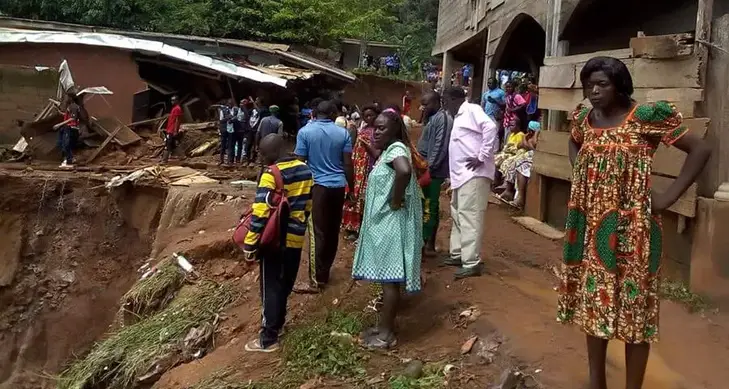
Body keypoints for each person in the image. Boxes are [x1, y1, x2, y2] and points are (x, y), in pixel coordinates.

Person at [557, 57, 710, 389]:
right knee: (594, 302)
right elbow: (574, 142)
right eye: (588, 85)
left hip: (634, 227)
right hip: (591, 224)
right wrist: (580, 172)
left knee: (634, 309)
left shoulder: (645, 118)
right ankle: (597, 382)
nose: (593, 92)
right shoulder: (584, 118)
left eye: (602, 84)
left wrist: (668, 197)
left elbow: (699, 148)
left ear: (620, 85)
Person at [352, 109, 423, 349]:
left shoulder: (397, 150)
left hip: (392, 223)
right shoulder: (388, 151)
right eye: (375, 127)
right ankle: (384, 326)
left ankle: (386, 335)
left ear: (394, 130)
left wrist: (395, 200)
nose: (376, 132)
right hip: (385, 223)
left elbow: (404, 171)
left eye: (382, 128)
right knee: (387, 280)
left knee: (390, 282)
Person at [242, 133, 314, 353]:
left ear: (271, 152)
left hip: (273, 241)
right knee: (284, 283)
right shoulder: (305, 169)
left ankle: (268, 338)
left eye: (263, 154)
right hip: (295, 237)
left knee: (270, 287)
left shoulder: (270, 175)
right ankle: (278, 325)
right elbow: (308, 205)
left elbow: (260, 213)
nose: (261, 158)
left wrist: (250, 244)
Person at [294, 100, 354, 294]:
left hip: (317, 186)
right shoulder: (343, 133)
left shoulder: (305, 132)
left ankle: (315, 280)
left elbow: (300, 162)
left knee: (317, 232)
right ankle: (324, 271)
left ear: (314, 113)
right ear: (332, 113)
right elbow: (347, 164)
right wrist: (351, 188)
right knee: (332, 230)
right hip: (338, 186)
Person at [441, 86, 498, 279]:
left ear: (455, 99)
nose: (444, 104)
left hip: (474, 174)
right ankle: (458, 253)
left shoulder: (471, 110)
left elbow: (490, 127)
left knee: (470, 216)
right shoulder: (458, 117)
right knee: (458, 213)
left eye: (446, 100)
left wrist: (481, 156)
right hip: (461, 176)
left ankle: (471, 262)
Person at [417, 91, 452, 255]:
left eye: (426, 104)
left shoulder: (443, 119)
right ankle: (428, 244)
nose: (423, 108)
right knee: (429, 206)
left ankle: (423, 244)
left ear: (437, 102)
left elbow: (440, 146)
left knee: (429, 206)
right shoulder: (432, 118)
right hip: (426, 170)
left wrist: (429, 170)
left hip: (433, 172)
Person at [342, 105, 380, 240]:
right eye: (366, 116)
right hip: (357, 166)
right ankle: (352, 227)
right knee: (354, 195)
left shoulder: (378, 131)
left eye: (371, 115)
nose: (369, 118)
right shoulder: (362, 129)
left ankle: (362, 229)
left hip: (368, 168)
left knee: (365, 198)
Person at [498, 120, 540, 207]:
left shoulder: (537, 138)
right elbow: (520, 145)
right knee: (513, 163)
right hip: (524, 157)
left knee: (520, 165)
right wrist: (525, 139)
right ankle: (508, 191)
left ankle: (520, 198)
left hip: (532, 159)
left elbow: (532, 148)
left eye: (530, 130)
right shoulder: (527, 137)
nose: (528, 131)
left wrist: (534, 135)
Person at [54, 90, 86, 168]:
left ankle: (69, 161)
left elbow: (72, 118)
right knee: (63, 144)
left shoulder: (74, 106)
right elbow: (68, 115)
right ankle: (69, 159)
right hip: (68, 127)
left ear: (70, 98)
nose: (65, 99)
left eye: (66, 97)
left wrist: (59, 124)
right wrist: (59, 111)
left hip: (71, 127)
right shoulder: (70, 106)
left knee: (67, 145)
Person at [162, 95, 183, 164]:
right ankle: (182, 156)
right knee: (174, 143)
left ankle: (164, 160)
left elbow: (177, 120)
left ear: (177, 101)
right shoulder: (174, 108)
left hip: (171, 130)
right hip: (170, 129)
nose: (172, 102)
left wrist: (175, 130)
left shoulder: (177, 108)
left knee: (167, 144)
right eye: (171, 100)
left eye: (174, 100)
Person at [217, 99, 235, 165]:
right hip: (224, 130)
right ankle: (221, 160)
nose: (230, 105)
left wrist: (233, 119)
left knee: (230, 145)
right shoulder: (223, 111)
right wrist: (228, 118)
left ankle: (230, 161)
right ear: (227, 104)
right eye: (229, 104)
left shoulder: (234, 110)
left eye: (232, 104)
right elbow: (221, 120)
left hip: (231, 130)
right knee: (223, 145)